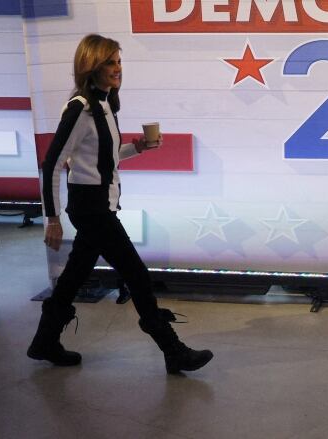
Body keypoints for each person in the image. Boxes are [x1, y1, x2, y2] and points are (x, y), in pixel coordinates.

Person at [28, 34, 213, 374]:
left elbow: (104, 158)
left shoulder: (104, 105)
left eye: (118, 61)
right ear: (91, 66)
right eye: (109, 62)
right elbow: (53, 162)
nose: (117, 69)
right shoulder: (81, 108)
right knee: (137, 276)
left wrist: (137, 148)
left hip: (99, 205)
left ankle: (44, 341)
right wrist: (51, 218)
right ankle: (173, 350)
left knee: (73, 276)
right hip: (90, 208)